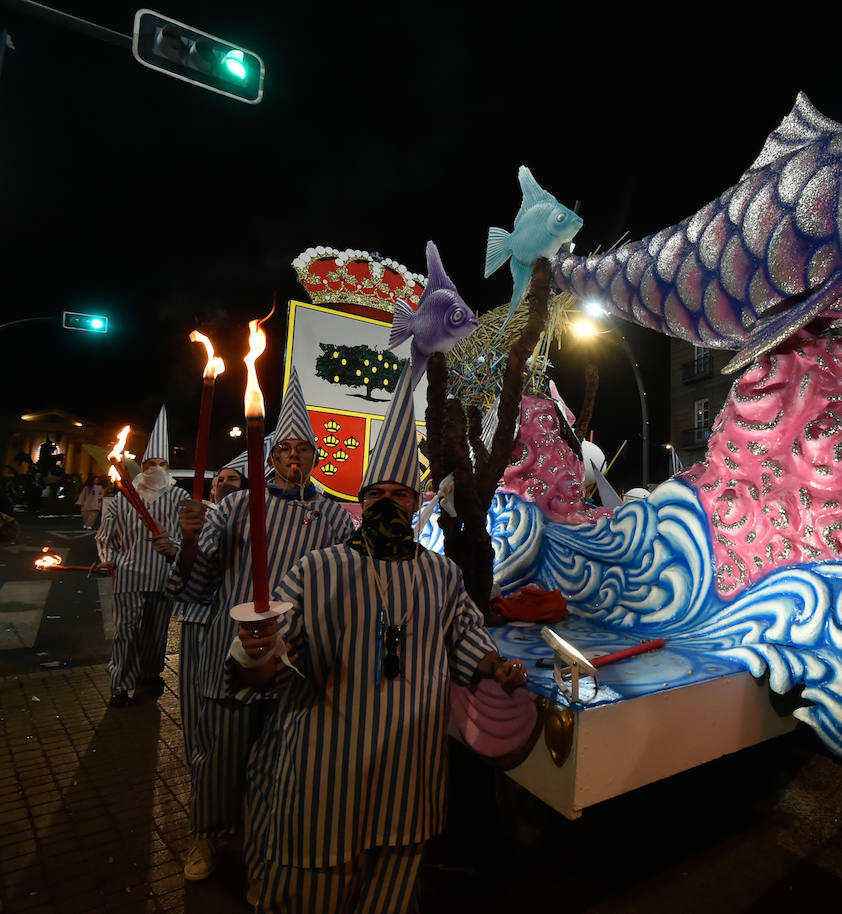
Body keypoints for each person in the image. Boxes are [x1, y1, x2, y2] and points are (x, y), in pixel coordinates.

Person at [230, 361, 528, 912]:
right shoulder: (316, 571)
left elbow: (463, 630)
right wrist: (258, 653)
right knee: (316, 884)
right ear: (362, 504)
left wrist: (493, 667)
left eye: (401, 494)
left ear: (417, 505)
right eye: (378, 495)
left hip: (408, 768)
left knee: (394, 888)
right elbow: (269, 662)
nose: (389, 503)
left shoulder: (439, 573)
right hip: (327, 766)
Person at [168, 370, 357, 885]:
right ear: (270, 458)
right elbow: (194, 585)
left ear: (317, 460)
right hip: (230, 658)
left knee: (278, 770)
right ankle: (205, 835)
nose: (294, 458)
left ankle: (263, 859)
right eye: (285, 450)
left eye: (304, 451)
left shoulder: (337, 519)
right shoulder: (231, 508)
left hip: (294, 664)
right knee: (220, 758)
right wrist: (187, 542)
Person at [93, 407, 182, 707]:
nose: (156, 468)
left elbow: (190, 535)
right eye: (150, 463)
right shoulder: (122, 498)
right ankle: (120, 684)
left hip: (164, 576)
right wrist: (107, 558)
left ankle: (150, 673)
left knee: (156, 633)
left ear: (168, 466)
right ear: (142, 466)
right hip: (128, 574)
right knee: (126, 632)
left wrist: (176, 549)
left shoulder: (180, 497)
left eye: (162, 463)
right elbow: (105, 535)